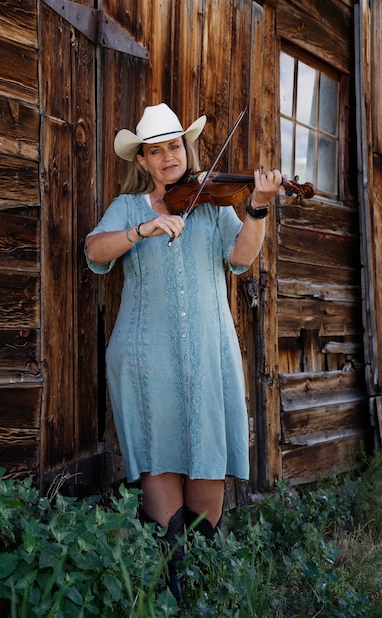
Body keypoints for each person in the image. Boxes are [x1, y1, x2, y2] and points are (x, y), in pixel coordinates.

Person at [85, 103, 282, 600]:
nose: (168, 156)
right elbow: (94, 250)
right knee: (163, 491)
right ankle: (167, 595)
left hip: (207, 361)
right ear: (144, 161)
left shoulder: (213, 205)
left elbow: (242, 257)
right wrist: (142, 231)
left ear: (186, 149)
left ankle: (201, 592)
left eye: (175, 145)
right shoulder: (128, 208)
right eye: (157, 150)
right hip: (146, 365)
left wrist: (256, 206)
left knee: (207, 496)